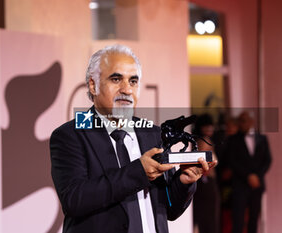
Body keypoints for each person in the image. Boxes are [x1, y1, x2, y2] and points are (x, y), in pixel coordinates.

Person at [50, 44, 217, 233]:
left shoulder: (152, 134)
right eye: (116, 79)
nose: (127, 90)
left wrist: (184, 182)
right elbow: (74, 200)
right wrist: (139, 172)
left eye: (133, 81)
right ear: (92, 85)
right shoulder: (70, 135)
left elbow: (168, 210)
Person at [226, 111, 272, 233]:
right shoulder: (233, 140)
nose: (242, 124)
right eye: (240, 121)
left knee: (254, 219)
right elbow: (232, 161)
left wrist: (257, 176)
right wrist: (248, 176)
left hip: (256, 185)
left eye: (244, 121)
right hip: (240, 186)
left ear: (251, 122)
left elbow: (267, 160)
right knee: (238, 220)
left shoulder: (262, 138)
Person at [192, 114, 220, 233]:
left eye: (211, 126)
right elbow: (205, 163)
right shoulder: (205, 141)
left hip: (204, 183)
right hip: (205, 183)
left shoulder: (200, 141)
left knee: (206, 218)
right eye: (206, 126)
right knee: (208, 218)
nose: (210, 129)